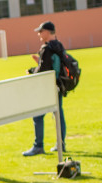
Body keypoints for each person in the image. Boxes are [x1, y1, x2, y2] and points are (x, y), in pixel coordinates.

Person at [22, 21, 68, 156]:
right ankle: (61, 143)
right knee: (58, 114)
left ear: (47, 32)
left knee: (37, 116)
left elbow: (43, 70)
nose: (39, 34)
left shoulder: (47, 48)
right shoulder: (59, 45)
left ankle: (38, 146)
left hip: (48, 88)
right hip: (59, 85)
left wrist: (32, 71)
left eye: (41, 31)